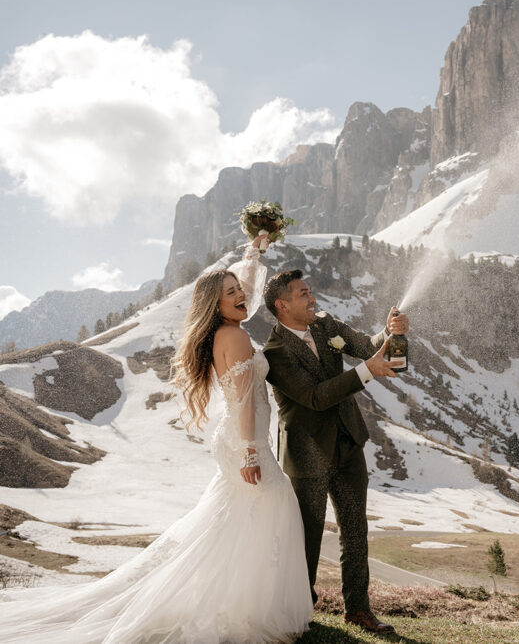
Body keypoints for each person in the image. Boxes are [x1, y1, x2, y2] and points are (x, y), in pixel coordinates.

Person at [0, 236, 312, 643]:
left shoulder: (228, 327)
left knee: (237, 520)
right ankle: (242, 610)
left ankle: (237, 601)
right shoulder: (233, 337)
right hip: (243, 440)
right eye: (230, 293)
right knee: (271, 509)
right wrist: (251, 454)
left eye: (239, 290)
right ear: (214, 306)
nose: (241, 297)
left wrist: (253, 254)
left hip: (240, 441)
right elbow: (241, 404)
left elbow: (248, 295)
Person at [262, 268, 407, 635]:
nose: (313, 298)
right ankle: (301, 612)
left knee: (355, 529)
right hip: (307, 453)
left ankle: (358, 610)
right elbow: (315, 397)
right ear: (282, 305)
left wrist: (392, 333)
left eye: (310, 291)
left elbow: (366, 346)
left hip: (347, 443)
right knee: (307, 537)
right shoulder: (275, 352)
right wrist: (365, 373)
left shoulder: (326, 325)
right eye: (303, 293)